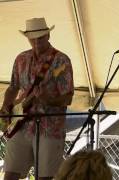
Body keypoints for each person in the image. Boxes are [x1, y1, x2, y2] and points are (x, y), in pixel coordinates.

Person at [0, 17, 74, 180]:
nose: (36, 42)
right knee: (10, 174)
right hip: (20, 124)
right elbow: (13, 87)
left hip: (49, 127)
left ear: (48, 36)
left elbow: (68, 98)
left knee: (45, 177)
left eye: (40, 38)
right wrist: (5, 107)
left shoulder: (61, 60)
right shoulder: (21, 58)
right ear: (27, 38)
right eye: (32, 39)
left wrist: (48, 99)